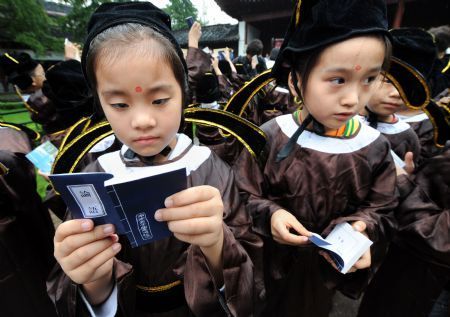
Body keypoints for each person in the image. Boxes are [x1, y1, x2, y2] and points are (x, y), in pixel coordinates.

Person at [47, 3, 263, 316]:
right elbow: (77, 286)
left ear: (184, 92)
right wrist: (91, 278)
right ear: (100, 104)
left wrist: (217, 243)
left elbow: (250, 269)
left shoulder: (209, 167)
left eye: (160, 100)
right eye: (120, 104)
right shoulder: (95, 177)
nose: (142, 121)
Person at [233, 1, 397, 316]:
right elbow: (241, 193)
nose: (353, 98)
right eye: (337, 79)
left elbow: (383, 208)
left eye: (368, 79)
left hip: (331, 280)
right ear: (295, 78)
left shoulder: (374, 147)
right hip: (273, 270)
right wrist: (271, 215)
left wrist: (363, 229)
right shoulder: (270, 136)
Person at [360, 75, 420, 168]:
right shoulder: (336, 123)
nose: (397, 93)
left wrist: (406, 177)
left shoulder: (407, 137)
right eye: (388, 81)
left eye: (407, 86)